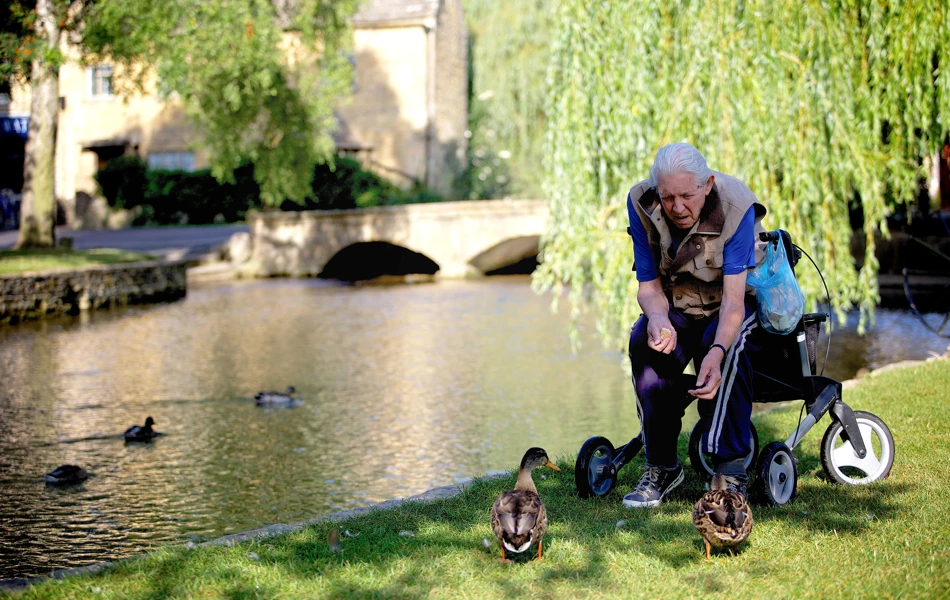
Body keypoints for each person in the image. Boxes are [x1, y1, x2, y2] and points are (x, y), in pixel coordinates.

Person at [622, 142, 766, 508]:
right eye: (668, 197)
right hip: (678, 302)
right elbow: (649, 287)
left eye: (687, 195)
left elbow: (735, 303)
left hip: (728, 306)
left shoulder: (736, 208)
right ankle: (662, 466)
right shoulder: (641, 202)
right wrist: (656, 318)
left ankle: (731, 471)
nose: (677, 207)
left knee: (730, 349)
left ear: (707, 185)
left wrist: (715, 353)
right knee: (643, 341)